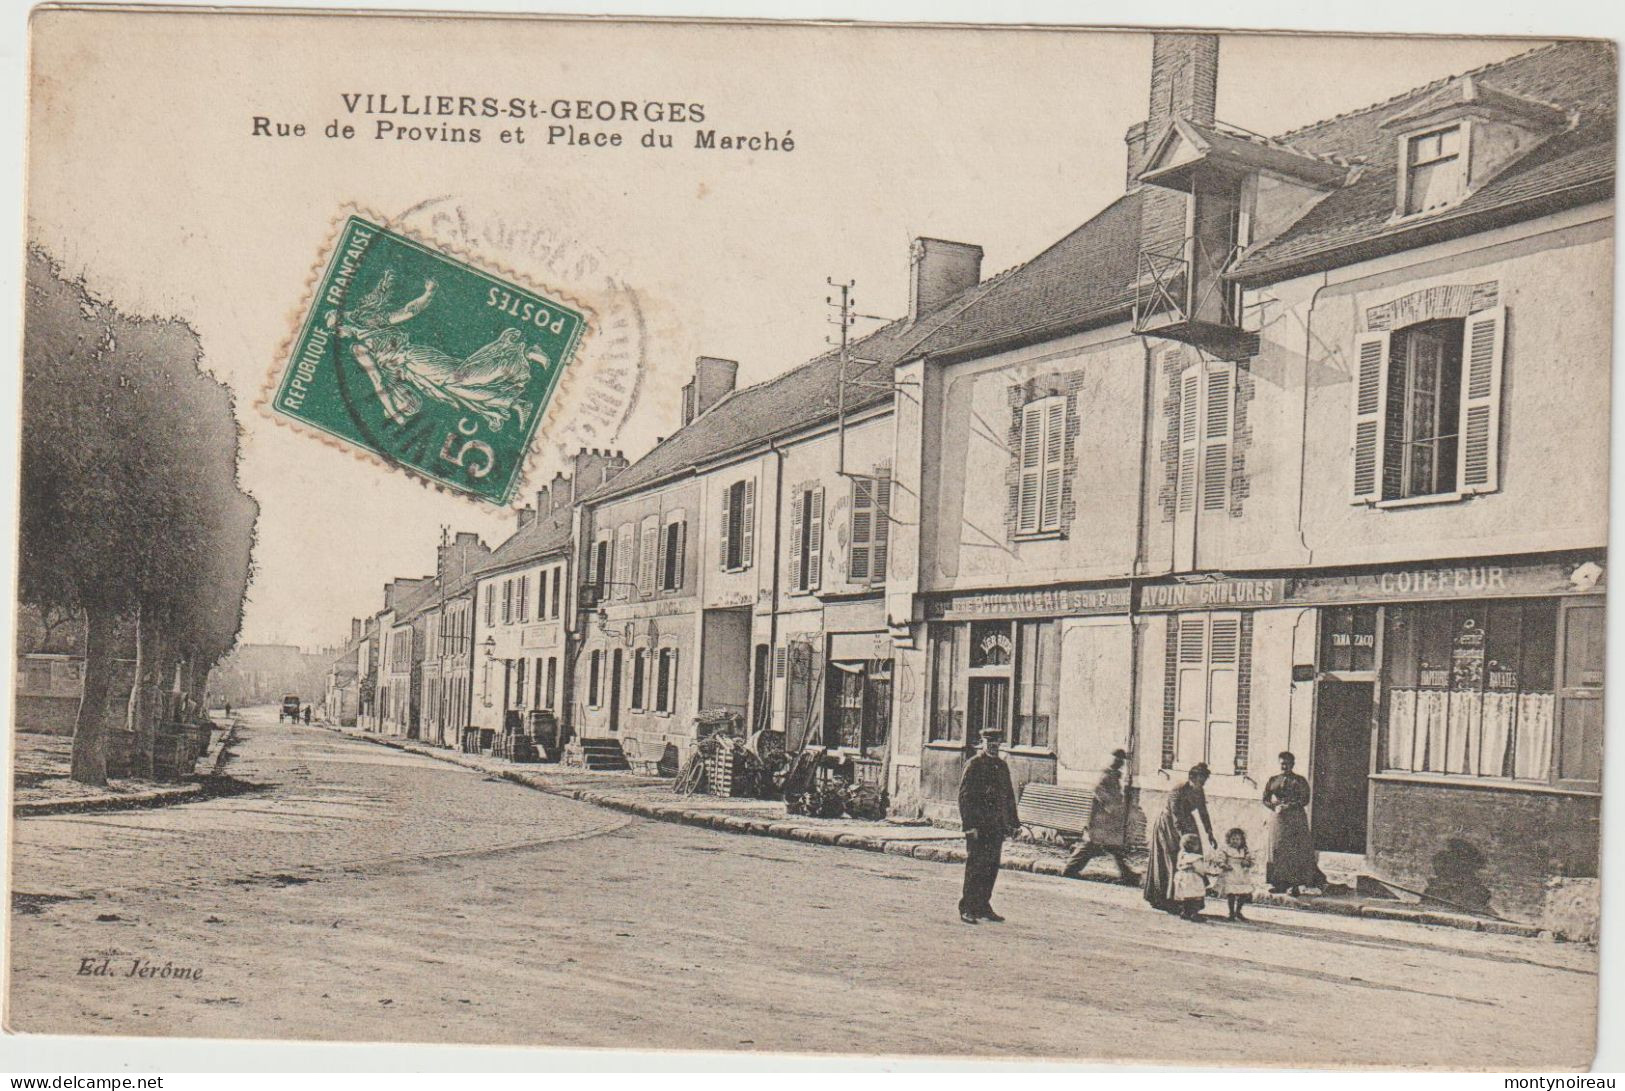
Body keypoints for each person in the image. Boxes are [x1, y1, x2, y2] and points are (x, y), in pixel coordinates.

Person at [957, 727, 1019, 925]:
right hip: (978, 826)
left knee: (991, 866)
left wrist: (1013, 823)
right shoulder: (974, 764)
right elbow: (964, 798)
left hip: (995, 826)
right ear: (982, 743)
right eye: (989, 744)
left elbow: (1008, 796)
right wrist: (969, 826)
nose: (993, 747)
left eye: (996, 744)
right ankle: (967, 907)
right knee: (976, 866)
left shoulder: (1001, 766)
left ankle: (983, 905)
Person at [1143, 762, 1217, 913]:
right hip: (1168, 825)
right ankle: (1167, 899)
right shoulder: (1178, 791)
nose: (1202, 784)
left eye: (1204, 781)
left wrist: (1210, 833)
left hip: (1185, 824)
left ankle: (1188, 899)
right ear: (1191, 777)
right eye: (1200, 780)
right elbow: (1176, 817)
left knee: (1190, 858)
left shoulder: (1199, 791)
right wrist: (1185, 839)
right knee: (1172, 858)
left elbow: (1203, 812)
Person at [1062, 748, 1140, 885]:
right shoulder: (1106, 776)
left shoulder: (1114, 775)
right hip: (1099, 818)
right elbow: (1100, 793)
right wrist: (1113, 808)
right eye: (1118, 760)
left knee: (1113, 847)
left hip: (1106, 819)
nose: (1120, 763)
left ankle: (1127, 874)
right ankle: (1069, 869)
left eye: (1122, 761)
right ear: (1113, 760)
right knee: (1092, 845)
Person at [1263, 751, 1323, 895]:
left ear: (1293, 764)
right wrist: (1274, 806)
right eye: (1282, 763)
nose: (1285, 766)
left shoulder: (1300, 781)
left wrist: (1289, 806)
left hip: (1295, 819)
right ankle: (1278, 883)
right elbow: (1265, 799)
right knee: (1277, 850)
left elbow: (1305, 799)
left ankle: (1295, 884)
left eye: (1288, 764)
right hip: (1278, 819)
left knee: (1295, 850)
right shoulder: (1273, 780)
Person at [1214, 827, 1256, 921]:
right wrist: (1223, 865)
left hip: (1242, 874)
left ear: (1242, 840)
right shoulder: (1225, 849)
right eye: (1233, 839)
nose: (1235, 841)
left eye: (1238, 839)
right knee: (1231, 893)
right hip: (1230, 872)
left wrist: (1247, 862)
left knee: (1243, 893)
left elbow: (1252, 859)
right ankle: (1231, 912)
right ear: (1228, 839)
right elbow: (1219, 858)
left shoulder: (1245, 850)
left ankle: (1238, 911)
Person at [1173, 833, 1212, 921]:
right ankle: (1194, 914)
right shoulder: (1196, 858)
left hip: (1182, 876)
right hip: (1193, 878)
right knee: (1196, 896)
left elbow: (1178, 866)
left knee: (1187, 896)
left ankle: (1185, 912)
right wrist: (1206, 874)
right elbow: (1200, 869)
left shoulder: (1182, 855)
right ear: (1194, 846)